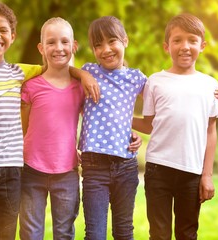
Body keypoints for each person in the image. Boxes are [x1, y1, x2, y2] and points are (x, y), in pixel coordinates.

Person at [0, 2, 98, 239]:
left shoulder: (19, 73)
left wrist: (83, 74)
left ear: (12, 36)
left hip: (10, 172)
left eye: (3, 30)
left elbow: (57, 66)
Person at [133, 13, 218, 240]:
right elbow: (149, 124)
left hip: (192, 172)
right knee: (159, 234)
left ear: (202, 46)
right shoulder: (155, 81)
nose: (185, 46)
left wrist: (207, 175)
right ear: (166, 46)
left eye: (192, 40)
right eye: (177, 40)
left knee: (187, 233)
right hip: (157, 169)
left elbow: (210, 131)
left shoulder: (209, 85)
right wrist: (119, 118)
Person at [78, 16, 146, 240]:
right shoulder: (89, 72)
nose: (106, 49)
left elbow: (165, 99)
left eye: (112, 41)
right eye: (98, 45)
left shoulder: (136, 78)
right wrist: (81, 74)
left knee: (124, 231)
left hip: (126, 166)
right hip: (94, 167)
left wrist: (207, 92)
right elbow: (62, 70)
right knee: (95, 234)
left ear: (125, 40)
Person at [19, 17, 84, 240]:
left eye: (65, 42)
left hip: (66, 172)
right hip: (31, 170)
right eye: (51, 42)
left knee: (64, 232)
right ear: (41, 48)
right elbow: (24, 127)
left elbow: (96, 120)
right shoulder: (30, 87)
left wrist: (130, 133)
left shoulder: (81, 88)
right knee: (30, 233)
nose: (58, 48)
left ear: (74, 46)